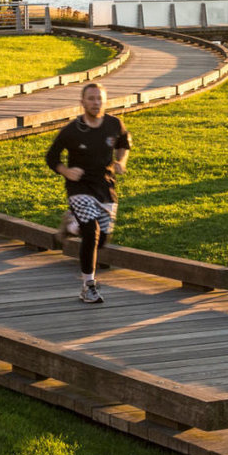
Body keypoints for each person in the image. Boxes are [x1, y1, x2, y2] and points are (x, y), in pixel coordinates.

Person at [45, 82, 131, 304]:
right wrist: (66, 171)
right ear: (82, 102)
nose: (96, 103)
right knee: (91, 233)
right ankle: (88, 285)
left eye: (99, 98)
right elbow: (51, 157)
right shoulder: (72, 130)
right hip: (79, 187)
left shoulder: (114, 124)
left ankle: (72, 224)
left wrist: (121, 161)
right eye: (91, 98)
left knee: (101, 238)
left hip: (105, 186)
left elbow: (124, 143)